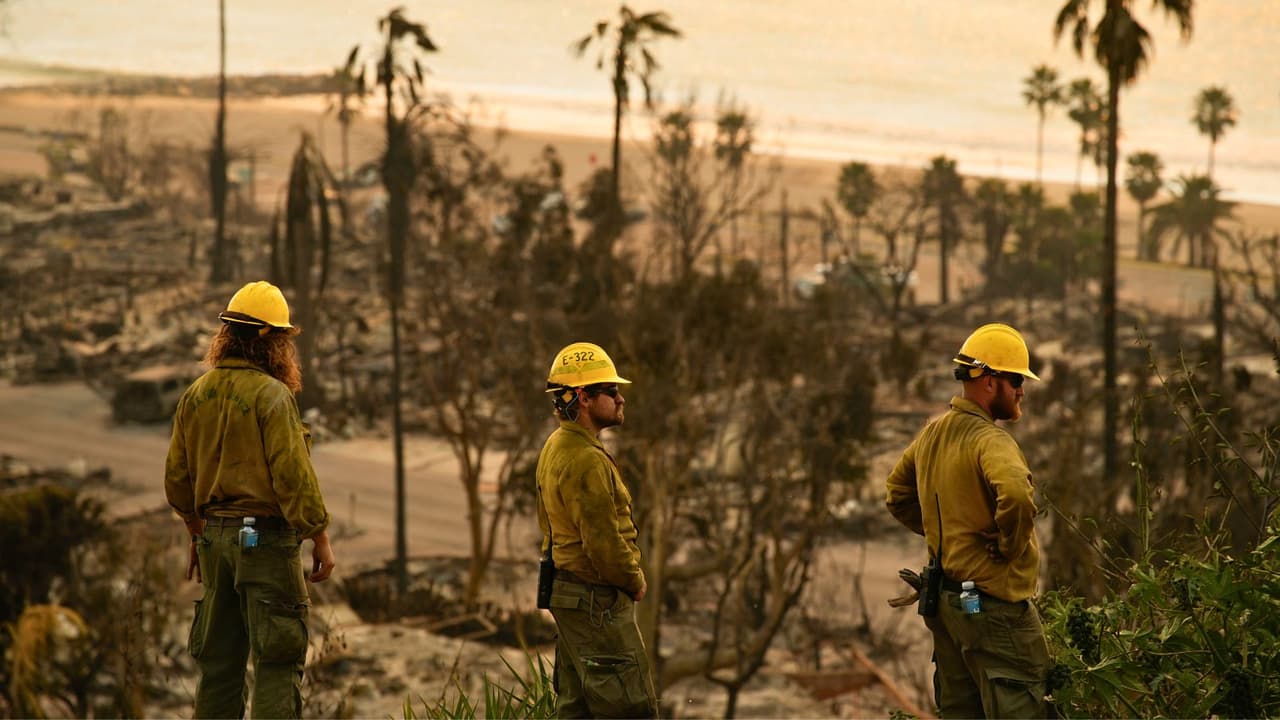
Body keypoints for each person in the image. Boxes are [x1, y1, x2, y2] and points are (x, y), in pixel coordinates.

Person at [164, 280, 336, 719]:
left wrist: (196, 533)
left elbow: (178, 480)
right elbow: (292, 475)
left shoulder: (195, 394)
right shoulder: (272, 396)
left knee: (218, 665)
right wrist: (319, 536)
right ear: (270, 343)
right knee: (277, 660)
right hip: (264, 544)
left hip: (215, 542)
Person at [885, 323, 1051, 719]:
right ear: (989, 382)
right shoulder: (990, 441)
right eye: (1015, 381)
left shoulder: (932, 434)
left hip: (948, 606)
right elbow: (1014, 493)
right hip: (994, 612)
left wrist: (949, 536)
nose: (1020, 391)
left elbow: (896, 495)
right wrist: (1008, 546)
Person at [536, 341, 658, 719]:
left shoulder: (557, 445)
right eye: (610, 391)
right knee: (629, 708)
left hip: (571, 598)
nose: (620, 399)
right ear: (584, 399)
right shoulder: (585, 459)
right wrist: (633, 580)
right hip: (596, 604)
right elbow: (603, 543)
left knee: (577, 709)